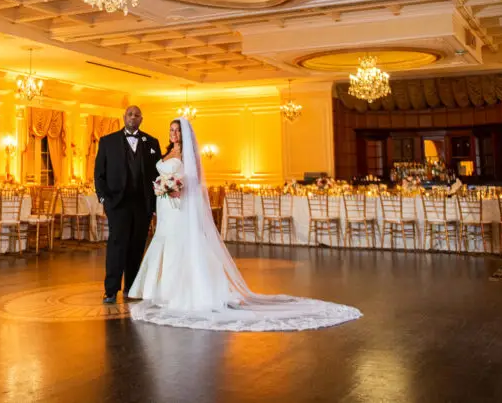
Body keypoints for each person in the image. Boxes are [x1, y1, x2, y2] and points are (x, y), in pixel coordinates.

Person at [126, 117, 362, 331]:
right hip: (166, 207)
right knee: (165, 243)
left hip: (181, 208)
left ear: (184, 134)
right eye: (171, 130)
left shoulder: (188, 156)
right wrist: (163, 186)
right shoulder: (166, 153)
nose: (173, 134)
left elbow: (194, 182)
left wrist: (177, 188)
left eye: (177, 130)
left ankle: (186, 292)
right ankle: (162, 290)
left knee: (182, 246)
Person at [94, 105, 161, 305]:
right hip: (118, 203)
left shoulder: (151, 142)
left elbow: (157, 175)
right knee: (117, 245)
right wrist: (104, 199)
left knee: (137, 246)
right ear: (124, 117)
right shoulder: (108, 142)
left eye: (137, 115)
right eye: (129, 114)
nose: (133, 117)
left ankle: (132, 287)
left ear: (141, 119)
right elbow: (99, 174)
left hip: (142, 204)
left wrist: (156, 203)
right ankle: (111, 290)